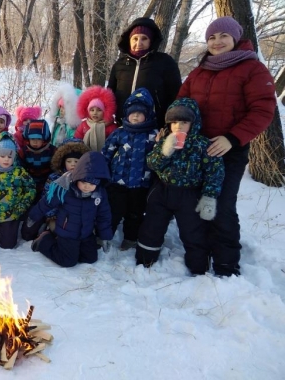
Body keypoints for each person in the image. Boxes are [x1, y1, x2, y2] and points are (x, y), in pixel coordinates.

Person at [177, 16, 276, 276]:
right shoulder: (200, 70)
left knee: (221, 204)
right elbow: (180, 103)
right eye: (211, 37)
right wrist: (175, 129)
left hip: (228, 150)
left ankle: (226, 262)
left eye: (223, 36)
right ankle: (200, 252)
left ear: (235, 38)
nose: (217, 42)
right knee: (197, 200)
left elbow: (263, 110)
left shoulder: (252, 69)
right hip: (197, 148)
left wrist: (232, 138)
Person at [136, 98, 225, 275]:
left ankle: (199, 265)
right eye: (174, 122)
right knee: (152, 225)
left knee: (193, 230)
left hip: (189, 195)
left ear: (193, 123)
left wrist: (209, 196)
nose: (178, 126)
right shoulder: (164, 141)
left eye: (183, 122)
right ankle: (146, 258)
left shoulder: (202, 145)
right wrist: (165, 151)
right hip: (163, 191)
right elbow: (152, 163)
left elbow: (215, 172)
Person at [28, 151, 113, 267]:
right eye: (83, 181)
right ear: (78, 176)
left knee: (90, 258)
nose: (87, 186)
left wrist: (105, 236)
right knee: (68, 261)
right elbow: (47, 202)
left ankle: (74, 250)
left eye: (92, 183)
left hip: (86, 233)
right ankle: (44, 240)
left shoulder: (99, 193)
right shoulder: (65, 188)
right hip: (67, 232)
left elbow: (104, 215)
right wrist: (33, 216)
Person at [101, 87, 159, 250]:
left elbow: (159, 158)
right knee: (112, 212)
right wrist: (103, 173)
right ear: (126, 113)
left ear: (147, 115)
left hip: (141, 184)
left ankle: (130, 238)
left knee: (135, 214)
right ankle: (104, 236)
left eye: (140, 113)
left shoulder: (154, 135)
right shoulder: (119, 133)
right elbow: (107, 153)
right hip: (117, 182)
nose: (135, 115)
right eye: (132, 112)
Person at [107, 17, 182, 129]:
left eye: (144, 38)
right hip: (123, 126)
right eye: (135, 38)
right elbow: (110, 94)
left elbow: (176, 95)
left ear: (150, 41)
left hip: (154, 127)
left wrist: (170, 124)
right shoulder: (119, 64)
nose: (139, 43)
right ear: (129, 40)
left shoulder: (164, 62)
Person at [0, 132, 35, 249]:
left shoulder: (19, 172)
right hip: (2, 214)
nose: (6, 159)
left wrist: (22, 206)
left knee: (31, 229)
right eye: (2, 156)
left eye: (10, 157)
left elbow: (31, 188)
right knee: (8, 244)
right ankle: (1, 231)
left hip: (17, 210)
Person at [43, 138, 90, 232]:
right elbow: (47, 197)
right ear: (63, 162)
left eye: (76, 162)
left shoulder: (87, 179)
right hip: (57, 215)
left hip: (79, 216)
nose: (73, 164)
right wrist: (51, 215)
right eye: (69, 161)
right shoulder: (54, 178)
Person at [17, 119, 56, 205]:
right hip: (29, 181)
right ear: (28, 138)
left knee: (46, 200)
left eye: (38, 139)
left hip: (47, 181)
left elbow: (56, 166)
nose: (35, 142)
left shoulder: (52, 151)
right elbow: (20, 167)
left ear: (44, 139)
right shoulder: (24, 152)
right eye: (32, 138)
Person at [74, 85, 118, 151]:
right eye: (92, 110)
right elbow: (76, 140)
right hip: (85, 156)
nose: (95, 113)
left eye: (99, 110)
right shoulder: (83, 125)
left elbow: (114, 143)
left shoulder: (111, 127)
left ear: (105, 111)